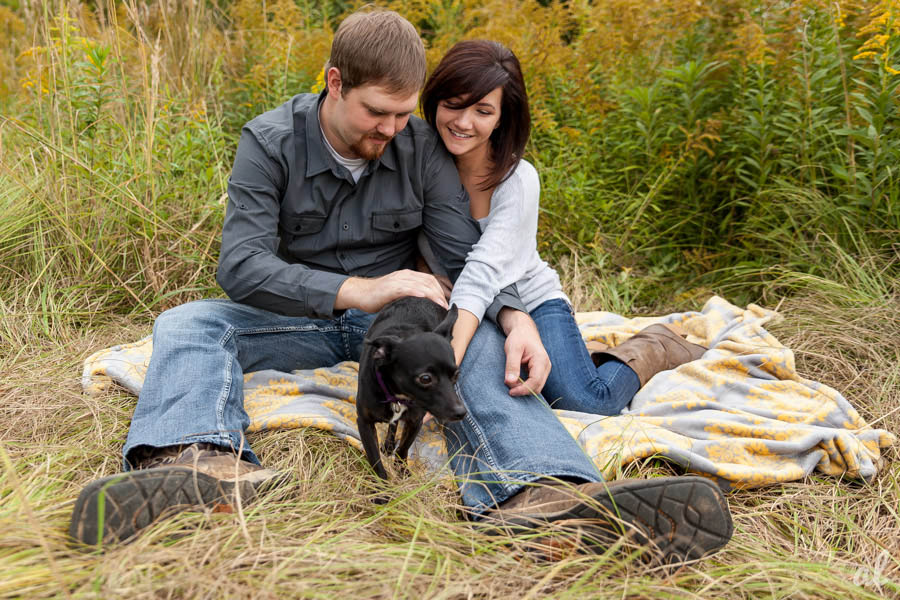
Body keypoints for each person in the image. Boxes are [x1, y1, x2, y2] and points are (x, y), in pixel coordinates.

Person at [68, 10, 732, 562]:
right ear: (334, 83)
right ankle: (196, 463)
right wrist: (357, 289)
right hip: (296, 314)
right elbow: (239, 267)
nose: (391, 131)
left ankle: (545, 495)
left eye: (402, 114)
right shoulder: (269, 143)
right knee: (188, 323)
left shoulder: (420, 149)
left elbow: (462, 255)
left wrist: (515, 315)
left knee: (470, 345)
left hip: (404, 324)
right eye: (377, 113)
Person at [422, 40, 709, 416]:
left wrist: (447, 369)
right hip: (469, 305)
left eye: (482, 111)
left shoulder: (518, 181)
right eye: (454, 104)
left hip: (531, 300)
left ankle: (654, 346)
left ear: (502, 118)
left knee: (584, 401)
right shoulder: (421, 161)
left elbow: (479, 277)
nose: (463, 122)